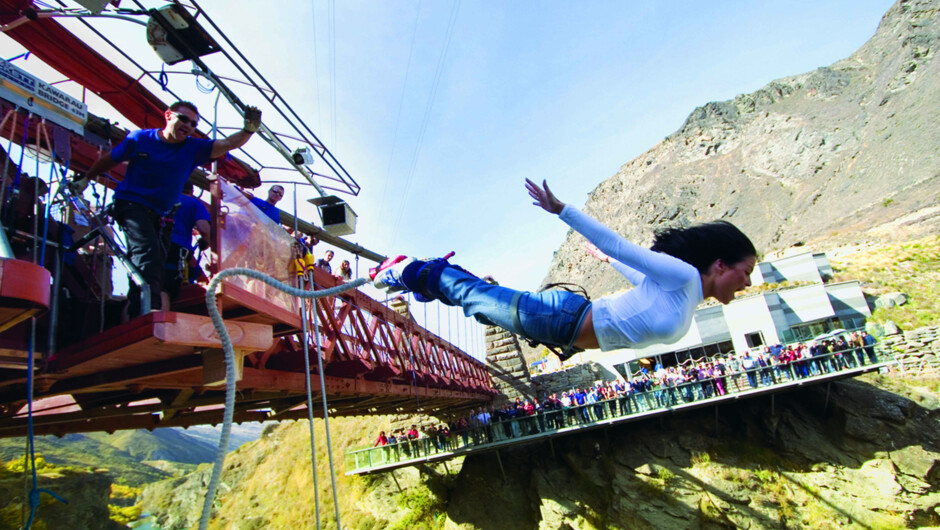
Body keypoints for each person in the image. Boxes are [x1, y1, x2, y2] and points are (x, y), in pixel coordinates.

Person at [372, 179, 757, 359]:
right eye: (747, 271)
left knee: (483, 304)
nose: (749, 282)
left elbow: (637, 274)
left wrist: (609, 262)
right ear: (721, 265)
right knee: (478, 301)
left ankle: (428, 281)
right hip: (564, 320)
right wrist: (562, 211)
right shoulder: (686, 277)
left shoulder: (685, 294)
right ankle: (407, 270)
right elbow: (621, 245)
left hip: (565, 327)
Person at [78, 100, 261, 317]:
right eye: (183, 119)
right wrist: (86, 179)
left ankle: (134, 312)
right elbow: (109, 160)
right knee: (148, 255)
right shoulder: (140, 139)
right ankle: (150, 314)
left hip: (162, 215)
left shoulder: (193, 148)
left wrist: (248, 130)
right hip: (131, 205)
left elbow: (228, 144)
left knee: (155, 265)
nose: (188, 126)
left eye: (193, 124)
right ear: (168, 116)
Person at [164, 181, 210, 302]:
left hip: (154, 244)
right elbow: (204, 228)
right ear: (191, 192)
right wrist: (206, 240)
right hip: (176, 248)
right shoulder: (194, 203)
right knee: (168, 289)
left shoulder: (164, 198)